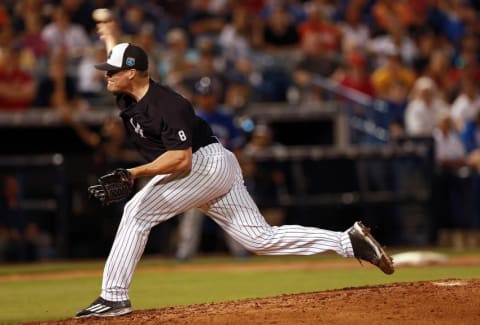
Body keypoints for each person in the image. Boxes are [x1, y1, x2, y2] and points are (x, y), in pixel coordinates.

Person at [75, 21, 395, 318]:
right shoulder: (127, 94)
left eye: (111, 71)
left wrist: (132, 173)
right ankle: (348, 241)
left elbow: (181, 160)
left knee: (136, 212)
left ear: (131, 73)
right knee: (259, 239)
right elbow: (122, 64)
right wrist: (109, 38)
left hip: (201, 165)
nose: (106, 76)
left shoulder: (168, 105)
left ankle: (114, 296)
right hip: (211, 167)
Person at [175, 76, 249, 261]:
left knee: (233, 213)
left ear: (216, 96)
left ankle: (240, 252)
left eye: (210, 95)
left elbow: (237, 147)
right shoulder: (191, 119)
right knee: (192, 217)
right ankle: (184, 255)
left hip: (223, 174)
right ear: (198, 97)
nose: (207, 98)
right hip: (198, 175)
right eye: (203, 95)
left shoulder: (226, 118)